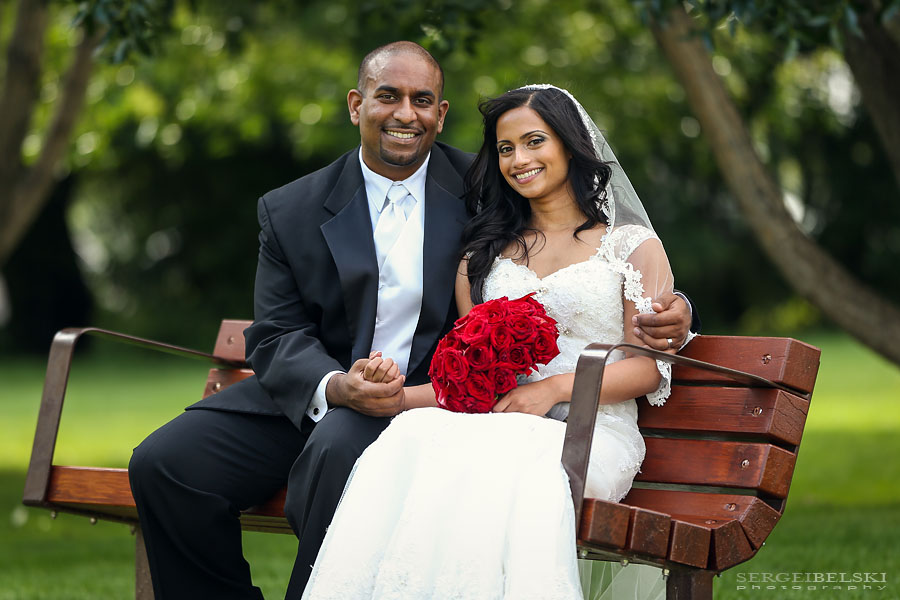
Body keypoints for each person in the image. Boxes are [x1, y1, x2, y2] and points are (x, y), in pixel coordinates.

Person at [128, 42, 694, 599]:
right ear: (356, 105)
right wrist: (335, 386)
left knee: (339, 453)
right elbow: (275, 333)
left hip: (428, 399)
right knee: (165, 464)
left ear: (441, 114)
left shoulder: (485, 187)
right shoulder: (290, 208)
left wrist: (678, 311)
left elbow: (588, 256)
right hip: (317, 393)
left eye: (422, 99)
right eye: (387, 96)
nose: (405, 113)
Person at [300, 85, 683, 600]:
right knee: (407, 440)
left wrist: (552, 391)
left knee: (506, 471)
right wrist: (393, 396)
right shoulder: (484, 259)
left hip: (591, 431)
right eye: (506, 149)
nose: (519, 160)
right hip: (494, 422)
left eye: (533, 142)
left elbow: (647, 368)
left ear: (569, 145)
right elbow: (469, 377)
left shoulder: (630, 246)